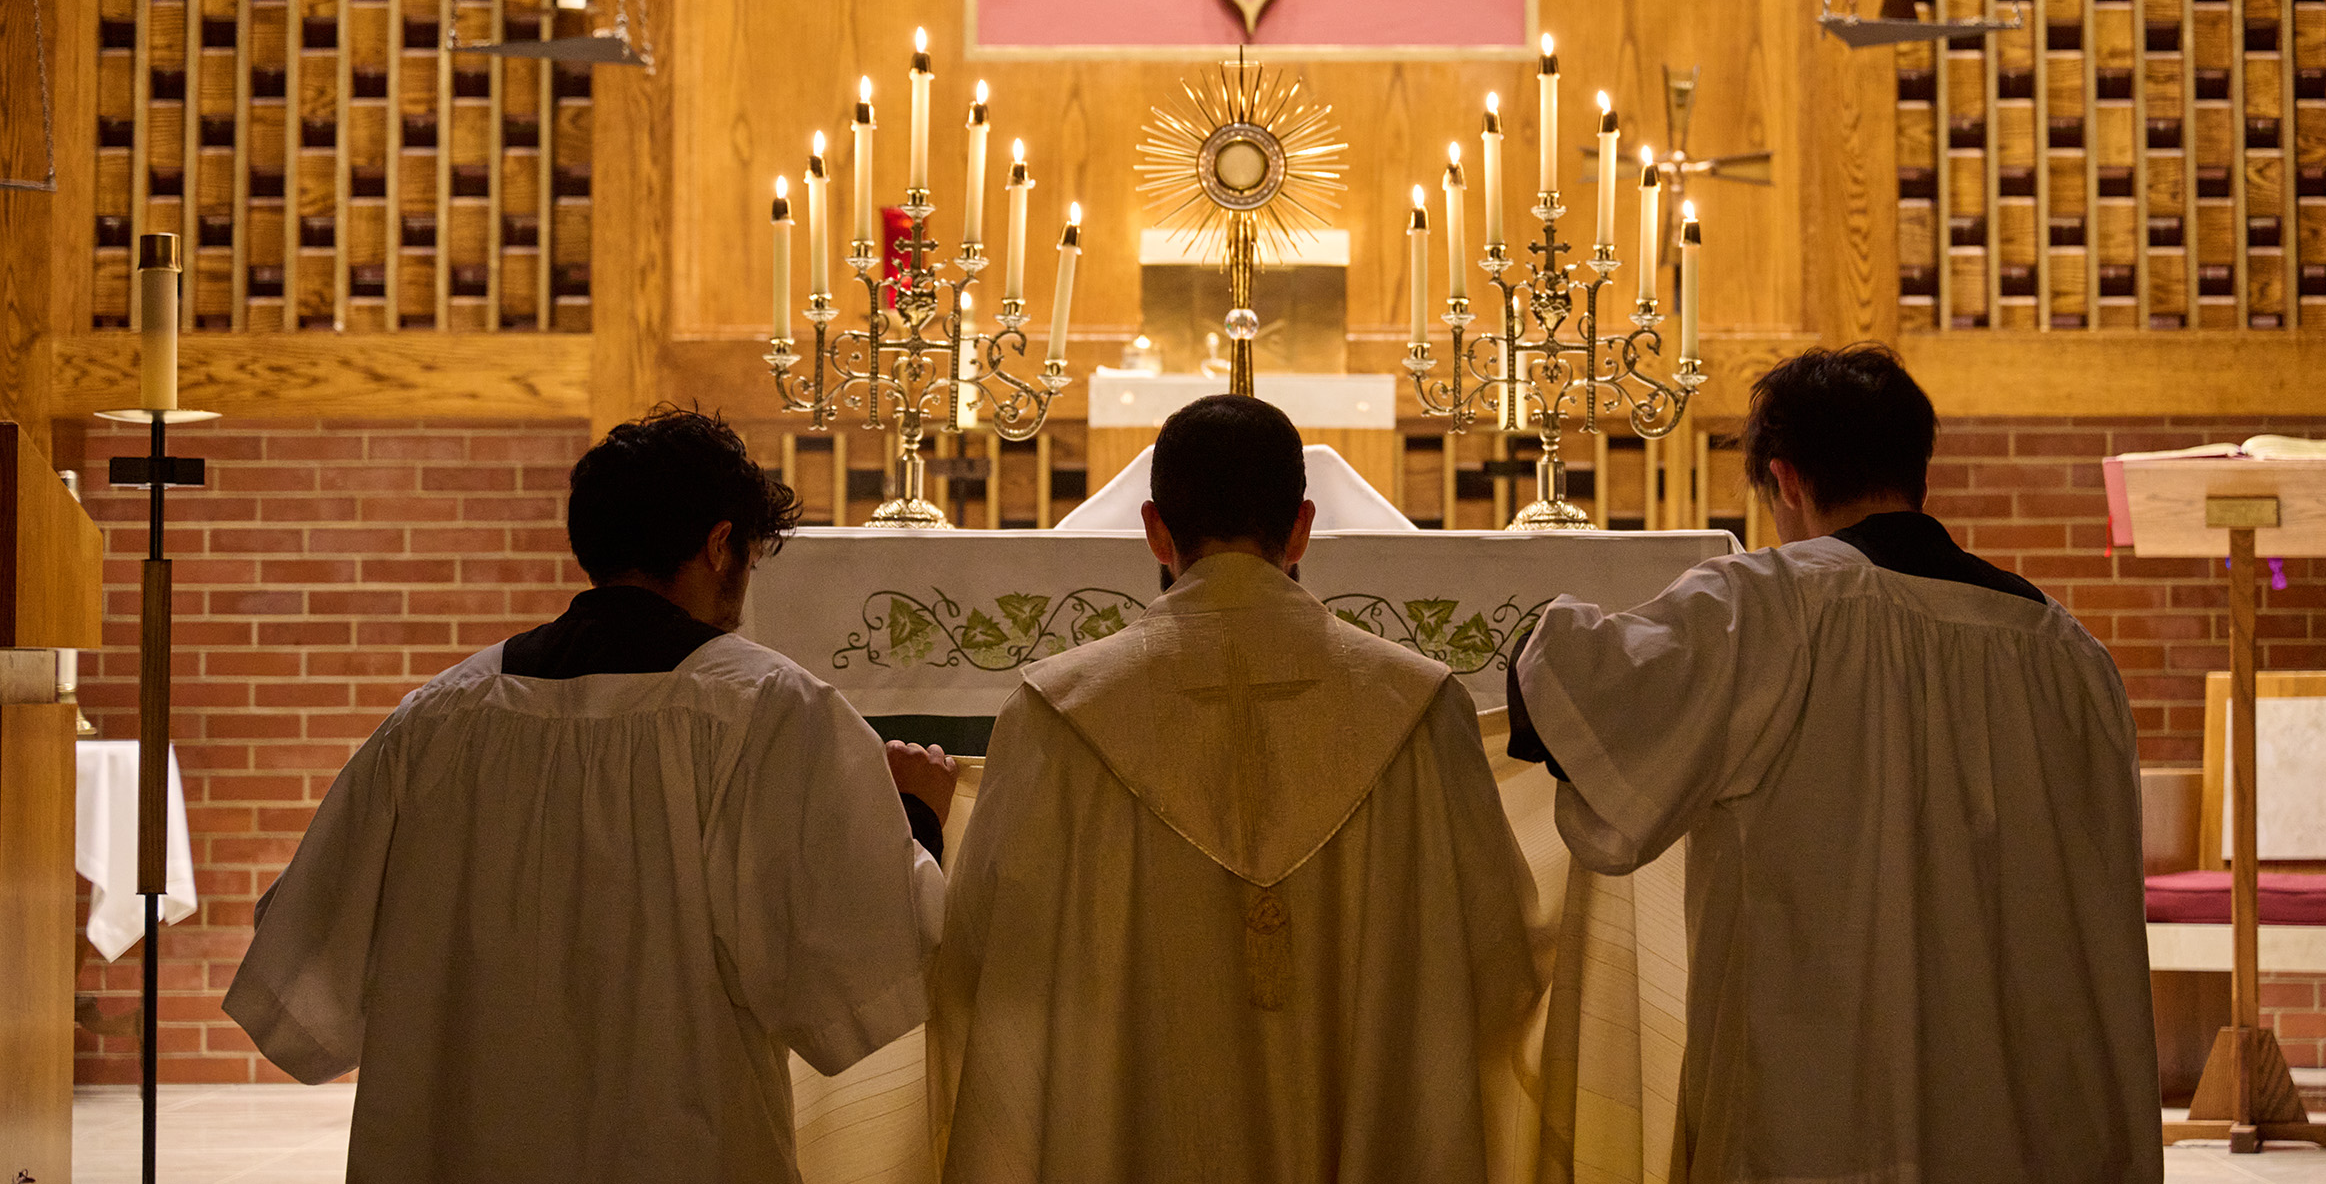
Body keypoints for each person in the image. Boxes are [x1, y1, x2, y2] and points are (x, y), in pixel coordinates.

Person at [225, 407, 957, 1184]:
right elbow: (844, 970)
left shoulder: (439, 714)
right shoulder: (767, 707)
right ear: (719, 546)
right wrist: (915, 815)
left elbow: (305, 972)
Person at [1509, 345, 2160, 1183]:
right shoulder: (2072, 658)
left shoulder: (1771, 605)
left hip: (1820, 1128)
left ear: (1785, 479)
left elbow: (1566, 692)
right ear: (1917, 473)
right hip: (2034, 1127)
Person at [928, 394, 1541, 1184]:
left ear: (1154, 527)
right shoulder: (1420, 707)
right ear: (1301, 526)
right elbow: (1499, 961)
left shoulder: (1056, 714)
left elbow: (986, 970)